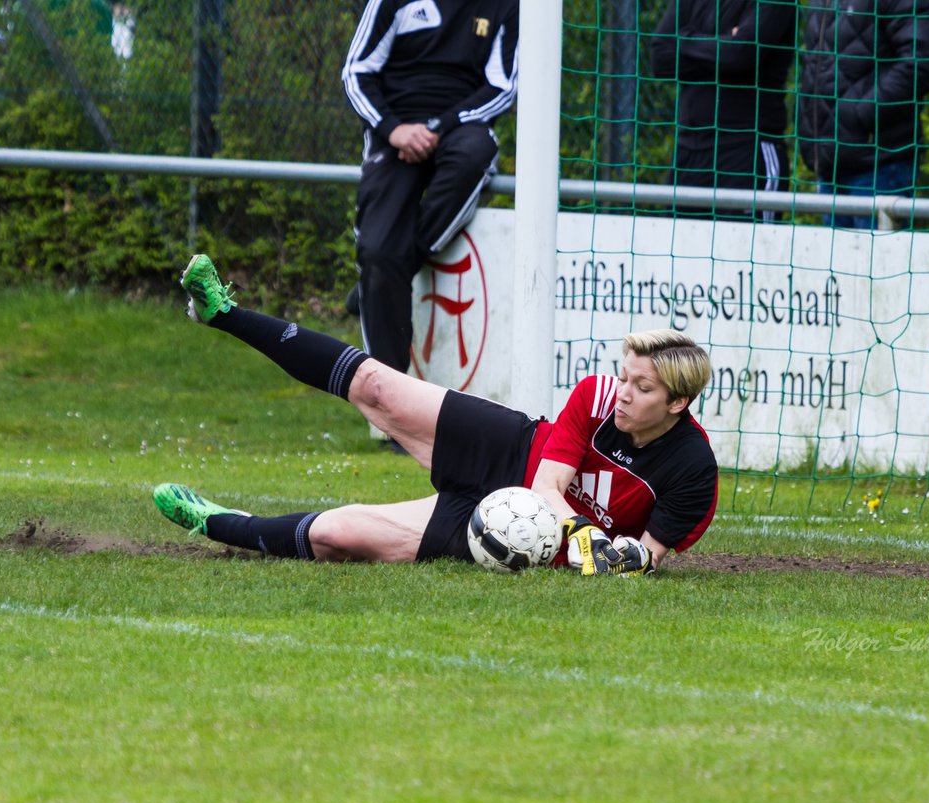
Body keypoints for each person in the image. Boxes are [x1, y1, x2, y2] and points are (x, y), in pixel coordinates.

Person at [152, 255, 719, 576]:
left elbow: (650, 553)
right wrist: (587, 536)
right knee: (377, 385)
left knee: (340, 534)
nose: (621, 392)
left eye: (640, 387)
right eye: (623, 376)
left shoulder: (694, 470)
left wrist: (623, 557)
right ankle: (223, 313)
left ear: (677, 403)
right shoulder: (596, 395)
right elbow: (550, 483)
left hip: (519, 527)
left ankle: (215, 521)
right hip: (514, 451)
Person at [340, 0, 519, 376]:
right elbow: (356, 73)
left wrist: (440, 126)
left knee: (474, 155)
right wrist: (393, 129)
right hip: (394, 132)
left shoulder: (507, 6)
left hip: (461, 129)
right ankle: (388, 399)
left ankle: (389, 275)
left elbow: (502, 87)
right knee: (377, 252)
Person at [796, 0, 929, 229]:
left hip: (878, 165)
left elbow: (922, 61)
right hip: (829, 165)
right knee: (834, 263)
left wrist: (860, 115)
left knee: (879, 263)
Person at [649, 0, 797, 221]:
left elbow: (740, 54)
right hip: (689, 154)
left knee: (746, 252)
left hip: (746, 153)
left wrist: (685, 38)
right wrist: (723, 44)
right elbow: (660, 59)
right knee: (679, 251)